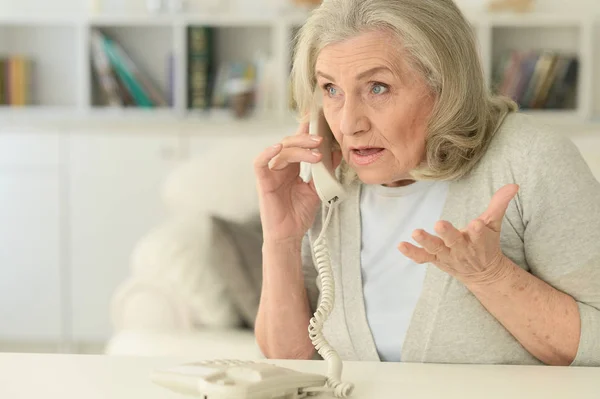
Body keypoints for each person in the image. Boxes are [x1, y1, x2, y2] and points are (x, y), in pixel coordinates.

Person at [253, 0, 600, 366]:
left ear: (445, 87)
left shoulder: (529, 158)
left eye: (377, 87)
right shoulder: (330, 183)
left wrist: (490, 276)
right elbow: (288, 359)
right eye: (331, 89)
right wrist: (281, 239)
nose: (348, 124)